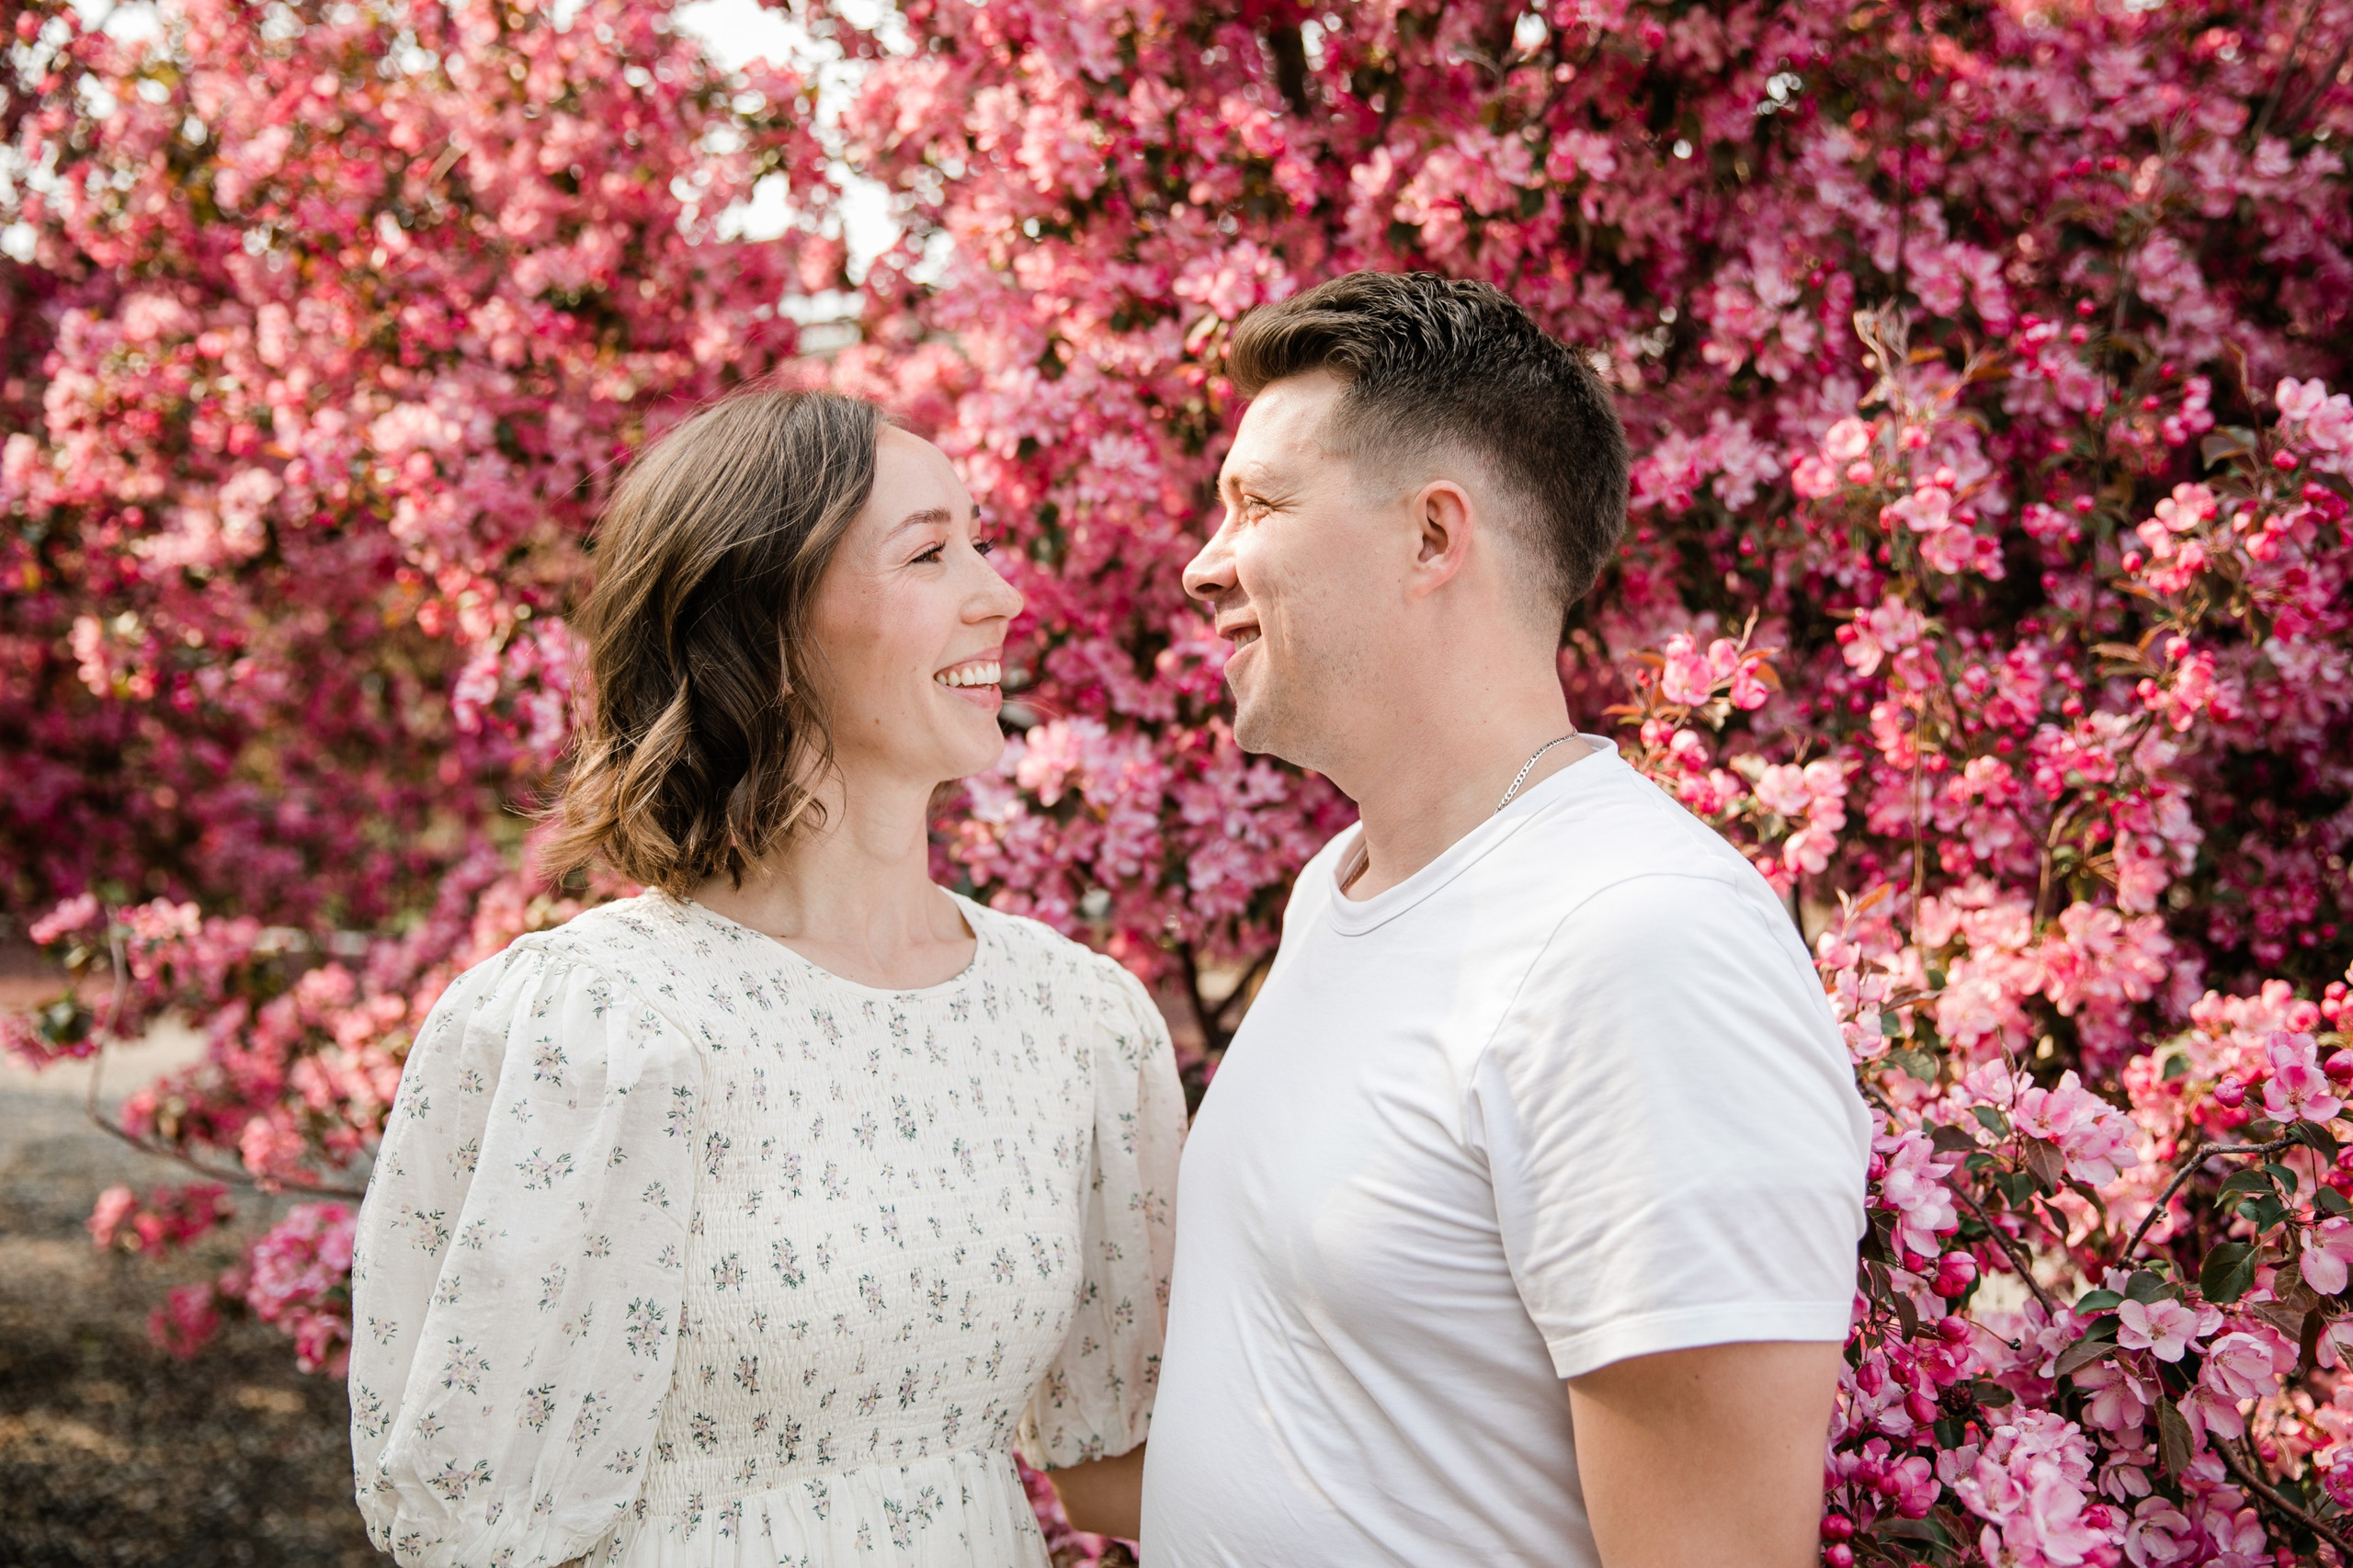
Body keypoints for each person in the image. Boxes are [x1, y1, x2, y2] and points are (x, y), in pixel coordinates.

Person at [348, 388, 1182, 1568]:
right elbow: (481, 1525)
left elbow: (1113, 1466)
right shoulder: (595, 1027)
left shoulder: (1077, 1019)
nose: (999, 593)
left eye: (981, 544)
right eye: (931, 552)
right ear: (766, 616)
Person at [1141, 273, 1871, 1568]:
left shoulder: (1636, 941)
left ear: (1433, 537)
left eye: (1258, 505)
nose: (1203, 565)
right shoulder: (1344, 886)